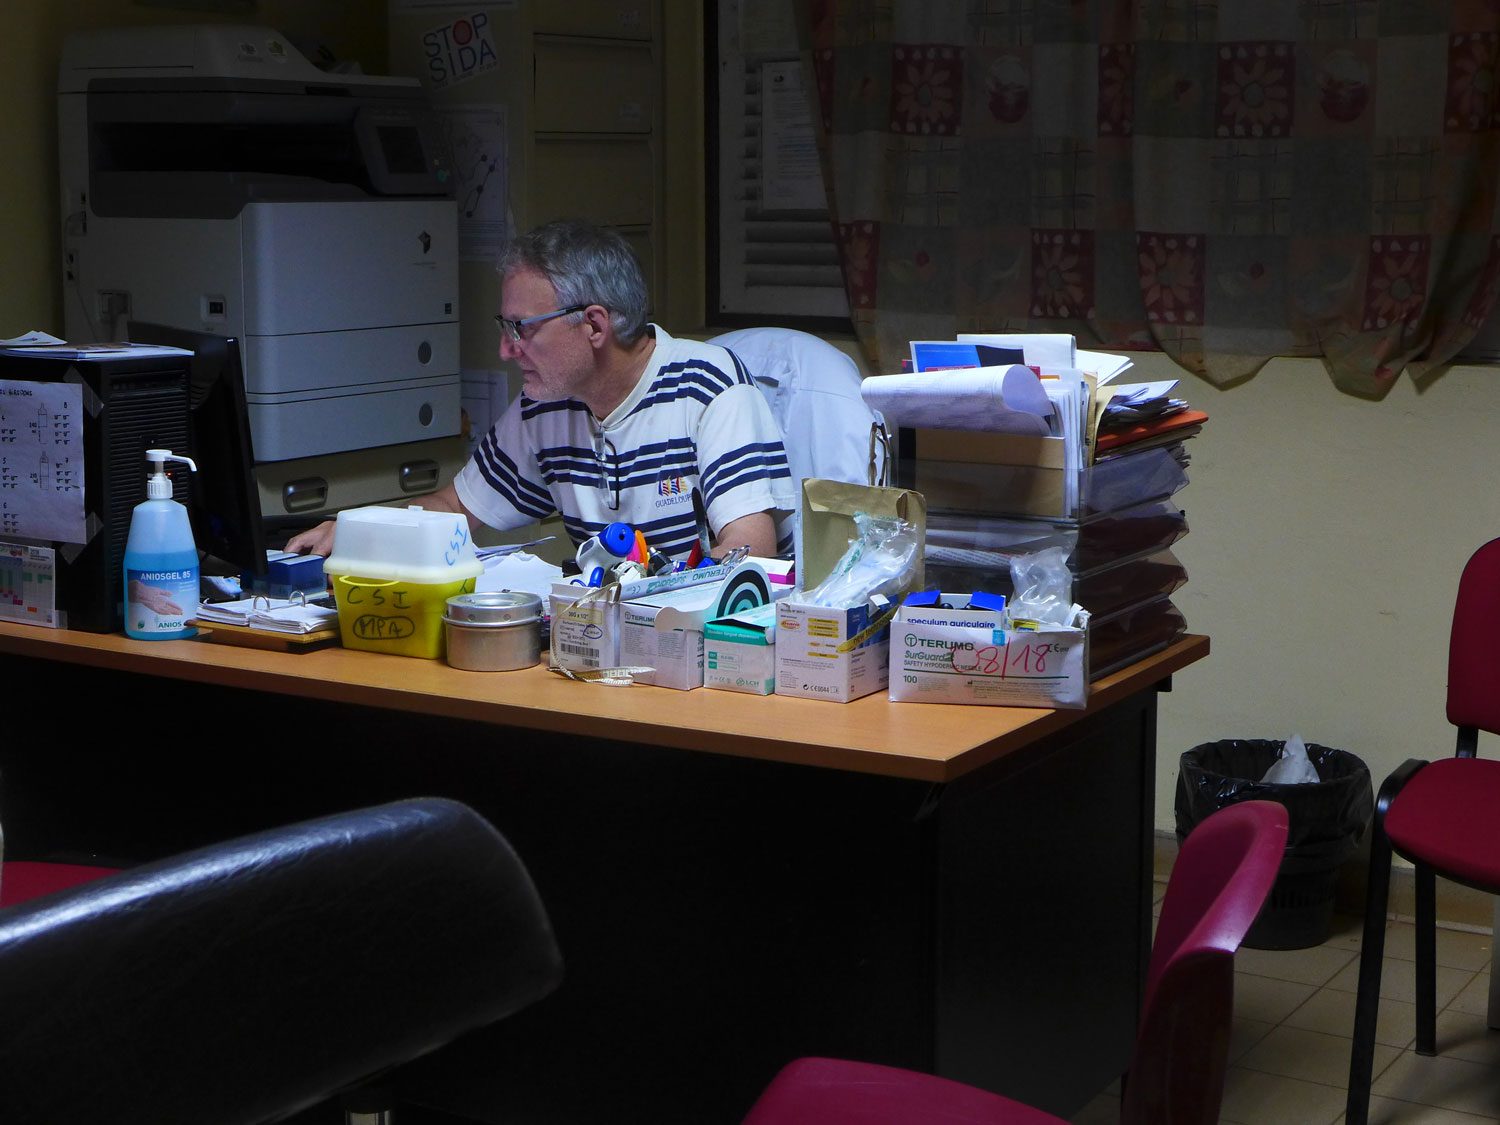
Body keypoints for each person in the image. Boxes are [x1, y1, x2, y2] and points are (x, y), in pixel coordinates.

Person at [288, 220, 795, 562]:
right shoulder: (545, 405)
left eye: (520, 328)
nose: (506, 350)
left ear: (593, 326)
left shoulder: (707, 385)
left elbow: (749, 554)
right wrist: (360, 526)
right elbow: (452, 510)